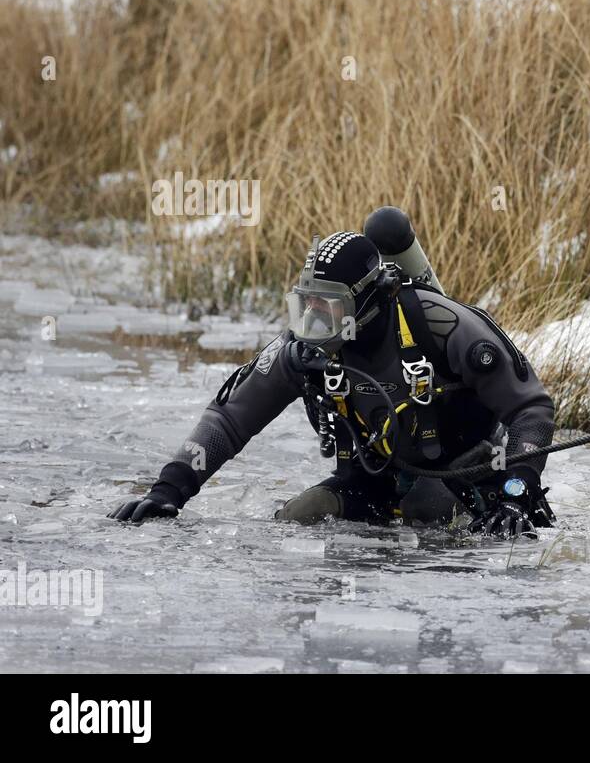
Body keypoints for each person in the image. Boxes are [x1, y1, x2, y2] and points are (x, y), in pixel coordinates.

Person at [111, 210, 557, 537]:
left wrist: (517, 491)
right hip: (373, 478)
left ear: (368, 299)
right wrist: (170, 488)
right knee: (301, 516)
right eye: (306, 305)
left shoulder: (442, 326)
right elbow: (228, 420)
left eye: (328, 308)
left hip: (466, 474)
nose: (313, 322)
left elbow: (530, 408)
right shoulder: (303, 349)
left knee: (427, 507)